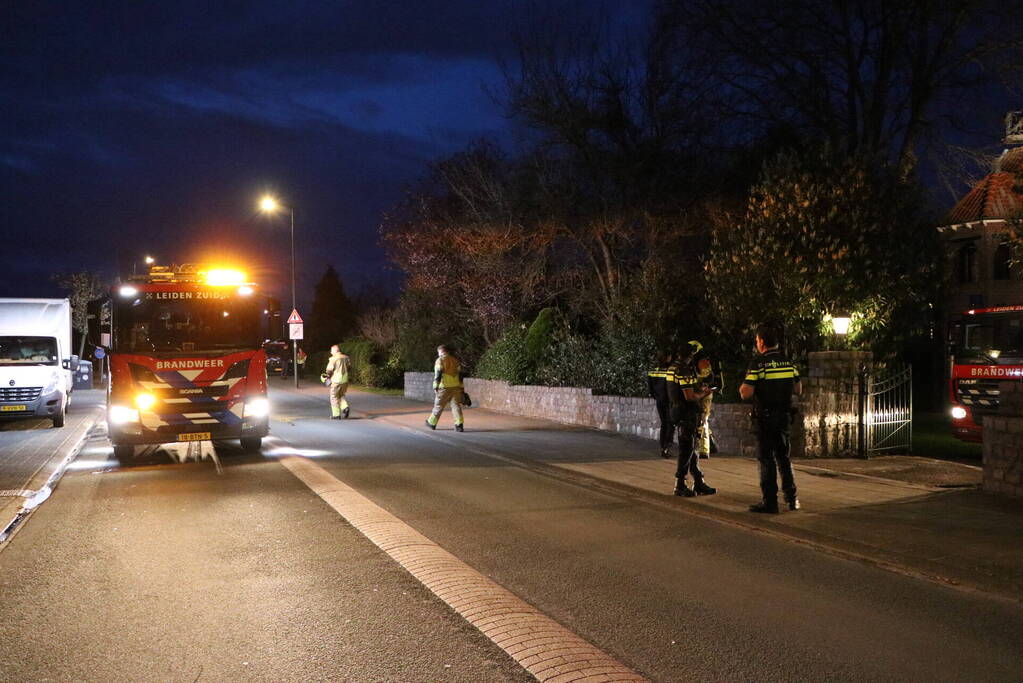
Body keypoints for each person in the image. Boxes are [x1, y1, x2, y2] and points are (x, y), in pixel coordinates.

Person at [739, 324, 802, 513]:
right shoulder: (788, 362)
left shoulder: (758, 364)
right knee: (784, 458)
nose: (757, 343)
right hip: (783, 417)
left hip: (765, 419)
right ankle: (792, 499)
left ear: (762, 342)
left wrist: (746, 385)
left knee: (766, 459)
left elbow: (745, 393)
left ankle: (770, 501)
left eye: (757, 340)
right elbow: (798, 389)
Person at [667, 346, 717, 497]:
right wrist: (704, 392)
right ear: (691, 355)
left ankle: (698, 481)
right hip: (686, 413)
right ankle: (680, 484)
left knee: (692, 448)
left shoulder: (673, 367)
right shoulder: (683, 370)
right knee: (687, 449)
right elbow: (689, 396)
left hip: (677, 410)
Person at [688, 340, 720, 459]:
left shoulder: (703, 362)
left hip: (705, 395)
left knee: (703, 420)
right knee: (699, 420)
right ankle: (712, 445)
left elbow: (709, 379)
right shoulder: (692, 362)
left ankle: (704, 451)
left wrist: (703, 386)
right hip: (696, 394)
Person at [426, 345, 464, 432]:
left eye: (438, 352)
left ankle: (432, 423)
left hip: (444, 388)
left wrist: (435, 386)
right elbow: (460, 375)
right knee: (456, 406)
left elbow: (438, 374)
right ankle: (459, 425)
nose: (438, 354)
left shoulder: (440, 360)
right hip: (456, 387)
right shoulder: (455, 361)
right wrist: (461, 387)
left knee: (438, 405)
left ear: (441, 351)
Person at [647, 351, 675, 458]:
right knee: (670, 423)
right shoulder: (669, 369)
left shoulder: (653, 369)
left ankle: (663, 446)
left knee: (664, 423)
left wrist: (657, 396)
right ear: (667, 357)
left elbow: (650, 387)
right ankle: (667, 447)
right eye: (670, 356)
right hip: (669, 400)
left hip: (659, 400)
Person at [324, 344, 351, 419]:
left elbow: (329, 370)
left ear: (335, 351)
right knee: (341, 395)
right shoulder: (346, 357)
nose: (331, 352)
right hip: (345, 380)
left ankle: (336, 415)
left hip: (336, 381)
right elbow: (349, 367)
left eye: (331, 351)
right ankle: (345, 408)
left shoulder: (333, 359)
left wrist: (327, 378)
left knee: (334, 397)